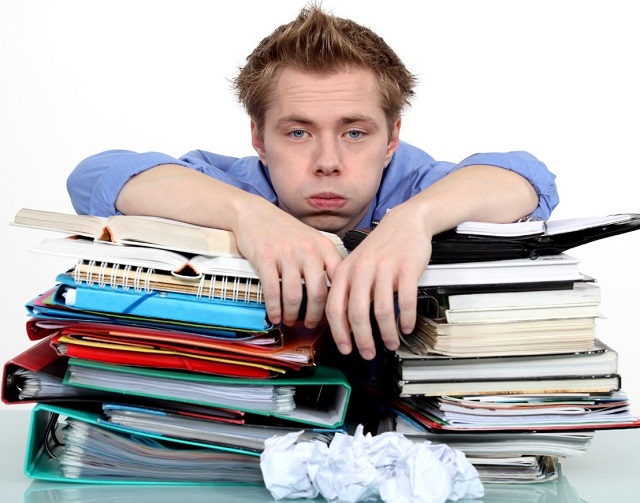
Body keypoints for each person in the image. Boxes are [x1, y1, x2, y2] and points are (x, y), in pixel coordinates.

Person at [66, 4, 558, 362]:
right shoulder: (231, 188)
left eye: (355, 132)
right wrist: (249, 214)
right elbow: (94, 176)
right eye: (298, 132)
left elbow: (527, 180)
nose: (328, 161)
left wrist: (415, 221)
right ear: (258, 137)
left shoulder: (417, 188)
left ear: (392, 138)